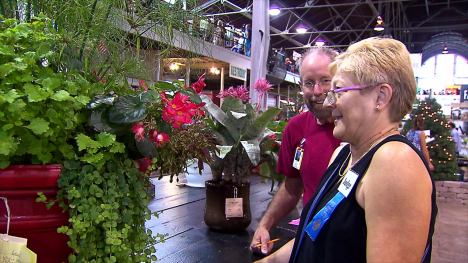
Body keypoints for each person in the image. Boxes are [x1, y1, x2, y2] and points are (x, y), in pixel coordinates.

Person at [257, 37, 438, 263]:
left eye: (339, 90)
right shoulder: (344, 155)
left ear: (381, 97)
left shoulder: (395, 162)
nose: (329, 102)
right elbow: (316, 235)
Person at [250, 47, 341, 255]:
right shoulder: (296, 128)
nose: (317, 91)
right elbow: (293, 185)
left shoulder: (354, 129)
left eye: (325, 80)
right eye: (309, 83)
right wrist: (265, 224)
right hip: (311, 238)